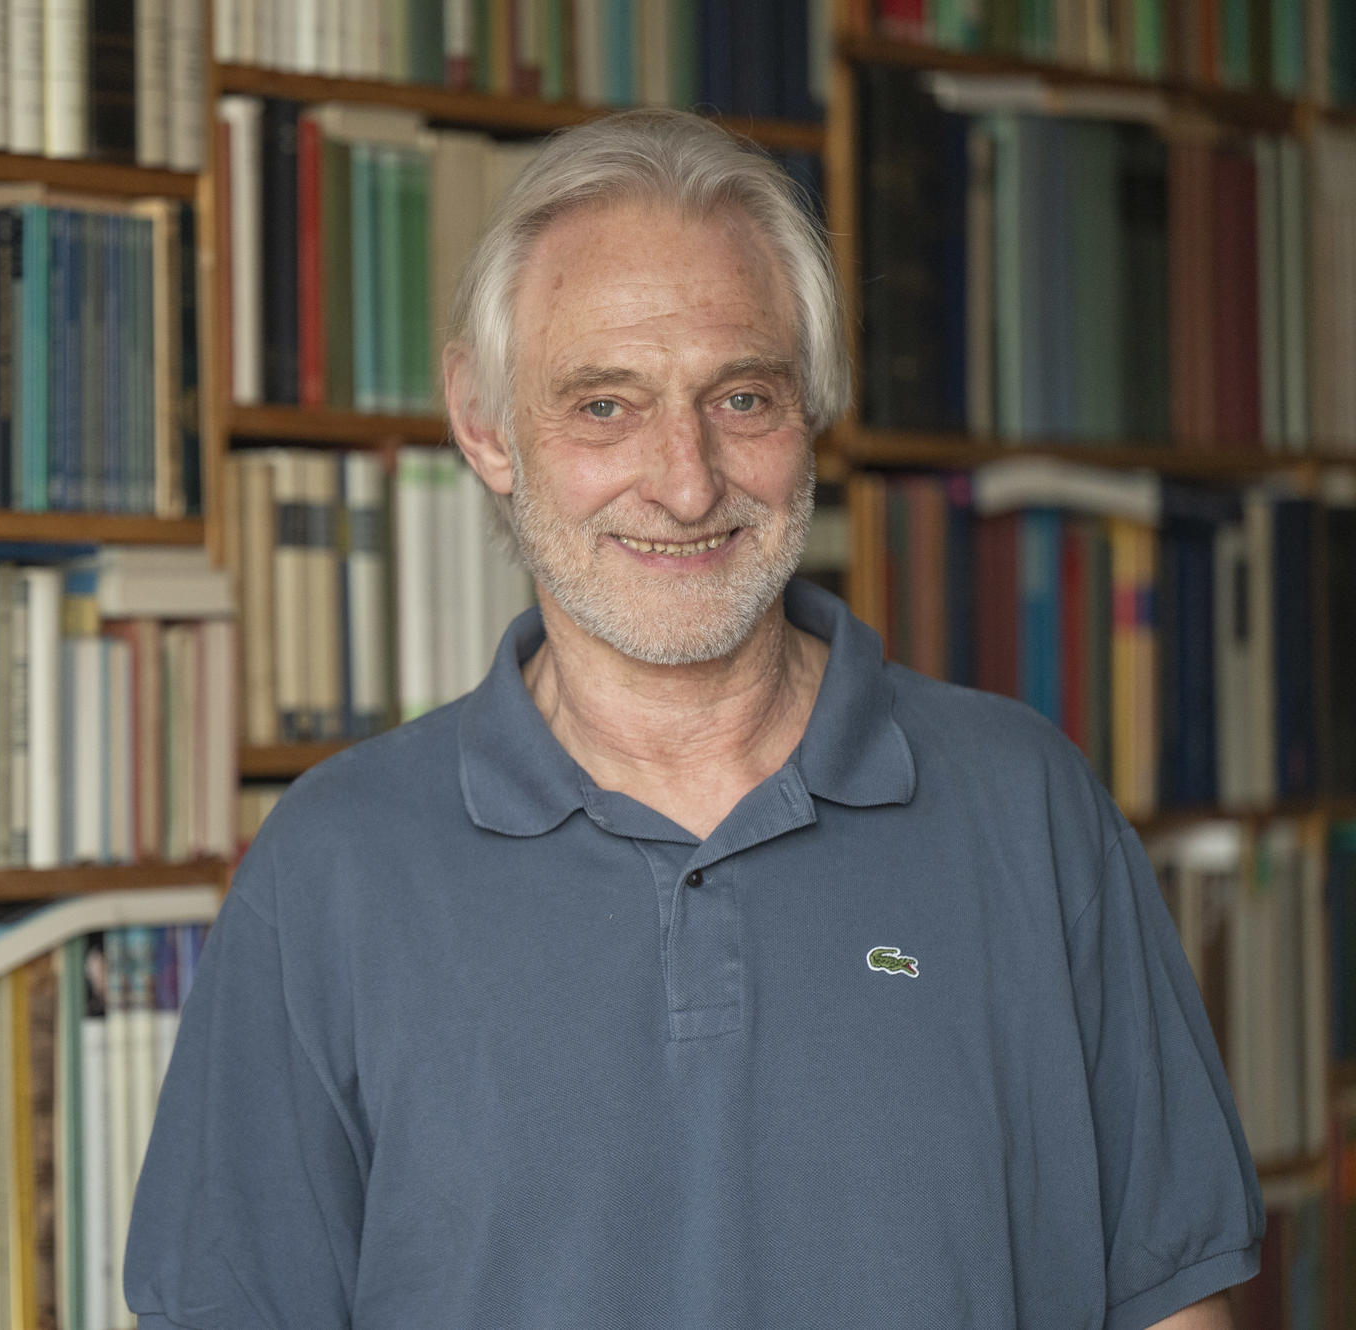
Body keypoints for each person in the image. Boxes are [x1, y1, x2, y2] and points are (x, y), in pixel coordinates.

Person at [124, 108, 1262, 1329]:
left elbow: (1173, 1296)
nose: (684, 481)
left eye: (741, 397)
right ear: (484, 425)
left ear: (812, 405)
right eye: (603, 406)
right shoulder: (332, 865)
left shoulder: (1025, 805)